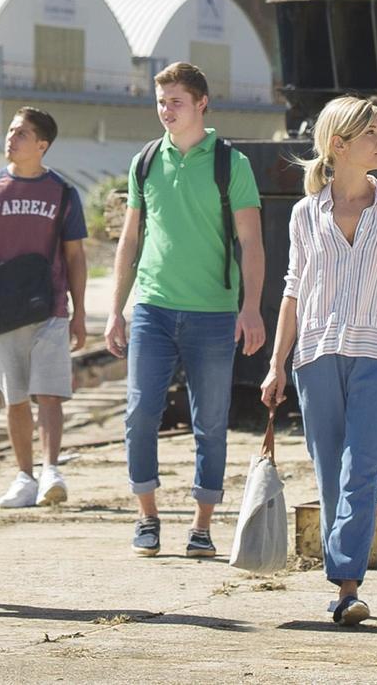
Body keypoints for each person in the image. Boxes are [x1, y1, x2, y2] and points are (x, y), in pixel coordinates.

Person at [260, 96, 377, 627]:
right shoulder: (304, 214)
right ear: (340, 146)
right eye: (372, 134)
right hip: (315, 355)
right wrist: (276, 362)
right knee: (330, 471)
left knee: (363, 470)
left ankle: (346, 582)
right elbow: (293, 290)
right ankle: (344, 587)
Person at [106, 60, 266, 558]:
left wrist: (252, 308)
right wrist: (117, 309)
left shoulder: (230, 164)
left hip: (213, 313)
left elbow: (251, 243)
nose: (166, 111)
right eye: (160, 102)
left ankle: (201, 524)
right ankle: (147, 516)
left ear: (201, 103)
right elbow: (129, 239)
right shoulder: (146, 161)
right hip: (152, 308)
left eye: (175, 101)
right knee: (138, 414)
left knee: (210, 422)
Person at [0, 106, 88, 510]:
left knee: (49, 392)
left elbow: (75, 256)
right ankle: (24, 476)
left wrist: (79, 312)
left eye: (21, 133)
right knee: (14, 396)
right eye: (11, 131)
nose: (11, 139)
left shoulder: (63, 193)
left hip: (49, 306)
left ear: (41, 145)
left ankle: (51, 469)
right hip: (2, 308)